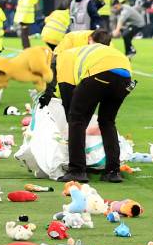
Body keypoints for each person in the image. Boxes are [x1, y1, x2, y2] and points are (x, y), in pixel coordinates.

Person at [55, 30, 133, 183]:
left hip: (99, 76)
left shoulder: (67, 54)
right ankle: (113, 171)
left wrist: (71, 113)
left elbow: (66, 87)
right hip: (126, 80)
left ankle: (77, 170)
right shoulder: (111, 50)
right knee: (107, 121)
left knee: (77, 120)